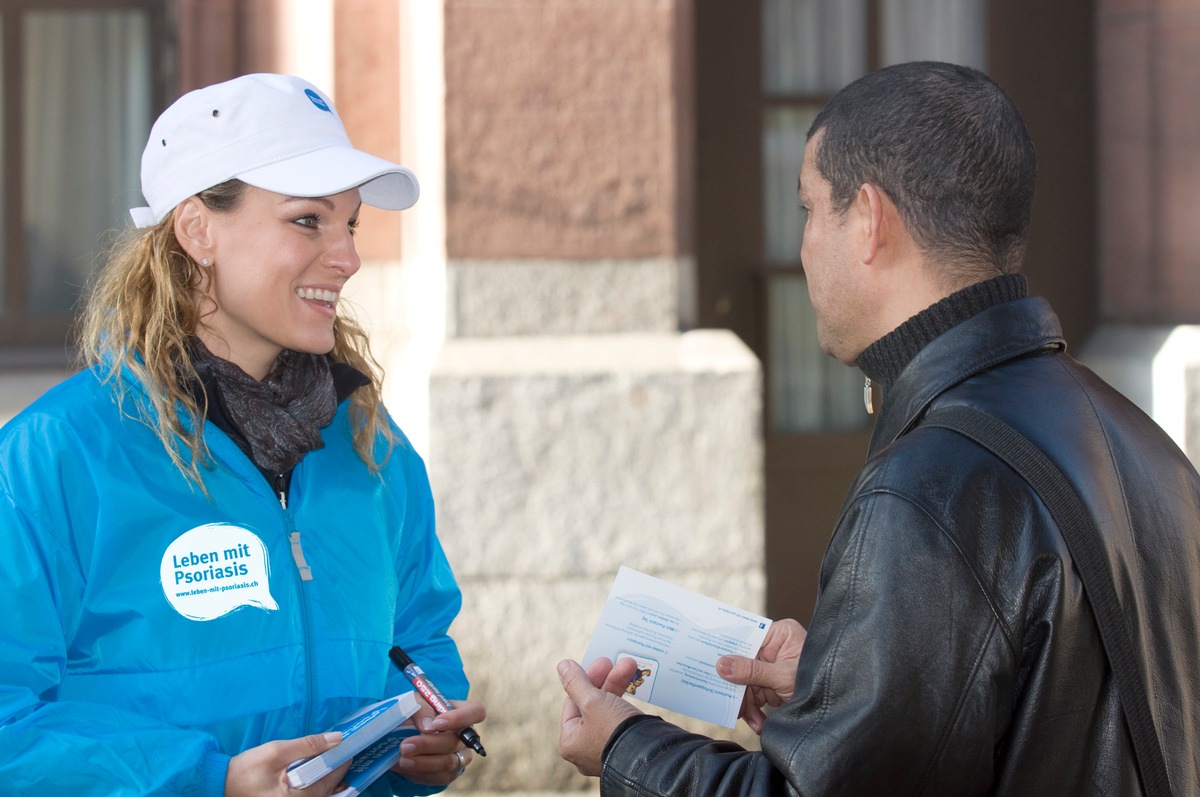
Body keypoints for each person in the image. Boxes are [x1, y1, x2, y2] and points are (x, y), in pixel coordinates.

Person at [557, 61, 1200, 795]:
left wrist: (625, 744)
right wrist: (848, 681)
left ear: (867, 219)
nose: (802, 245)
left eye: (808, 208)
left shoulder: (927, 488)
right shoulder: (1148, 444)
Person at [0, 73, 485, 796]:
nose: (347, 256)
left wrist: (424, 739)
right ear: (198, 229)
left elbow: (418, 642)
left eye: (350, 223)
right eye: (307, 221)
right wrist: (208, 780)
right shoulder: (54, 456)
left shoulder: (370, 446)